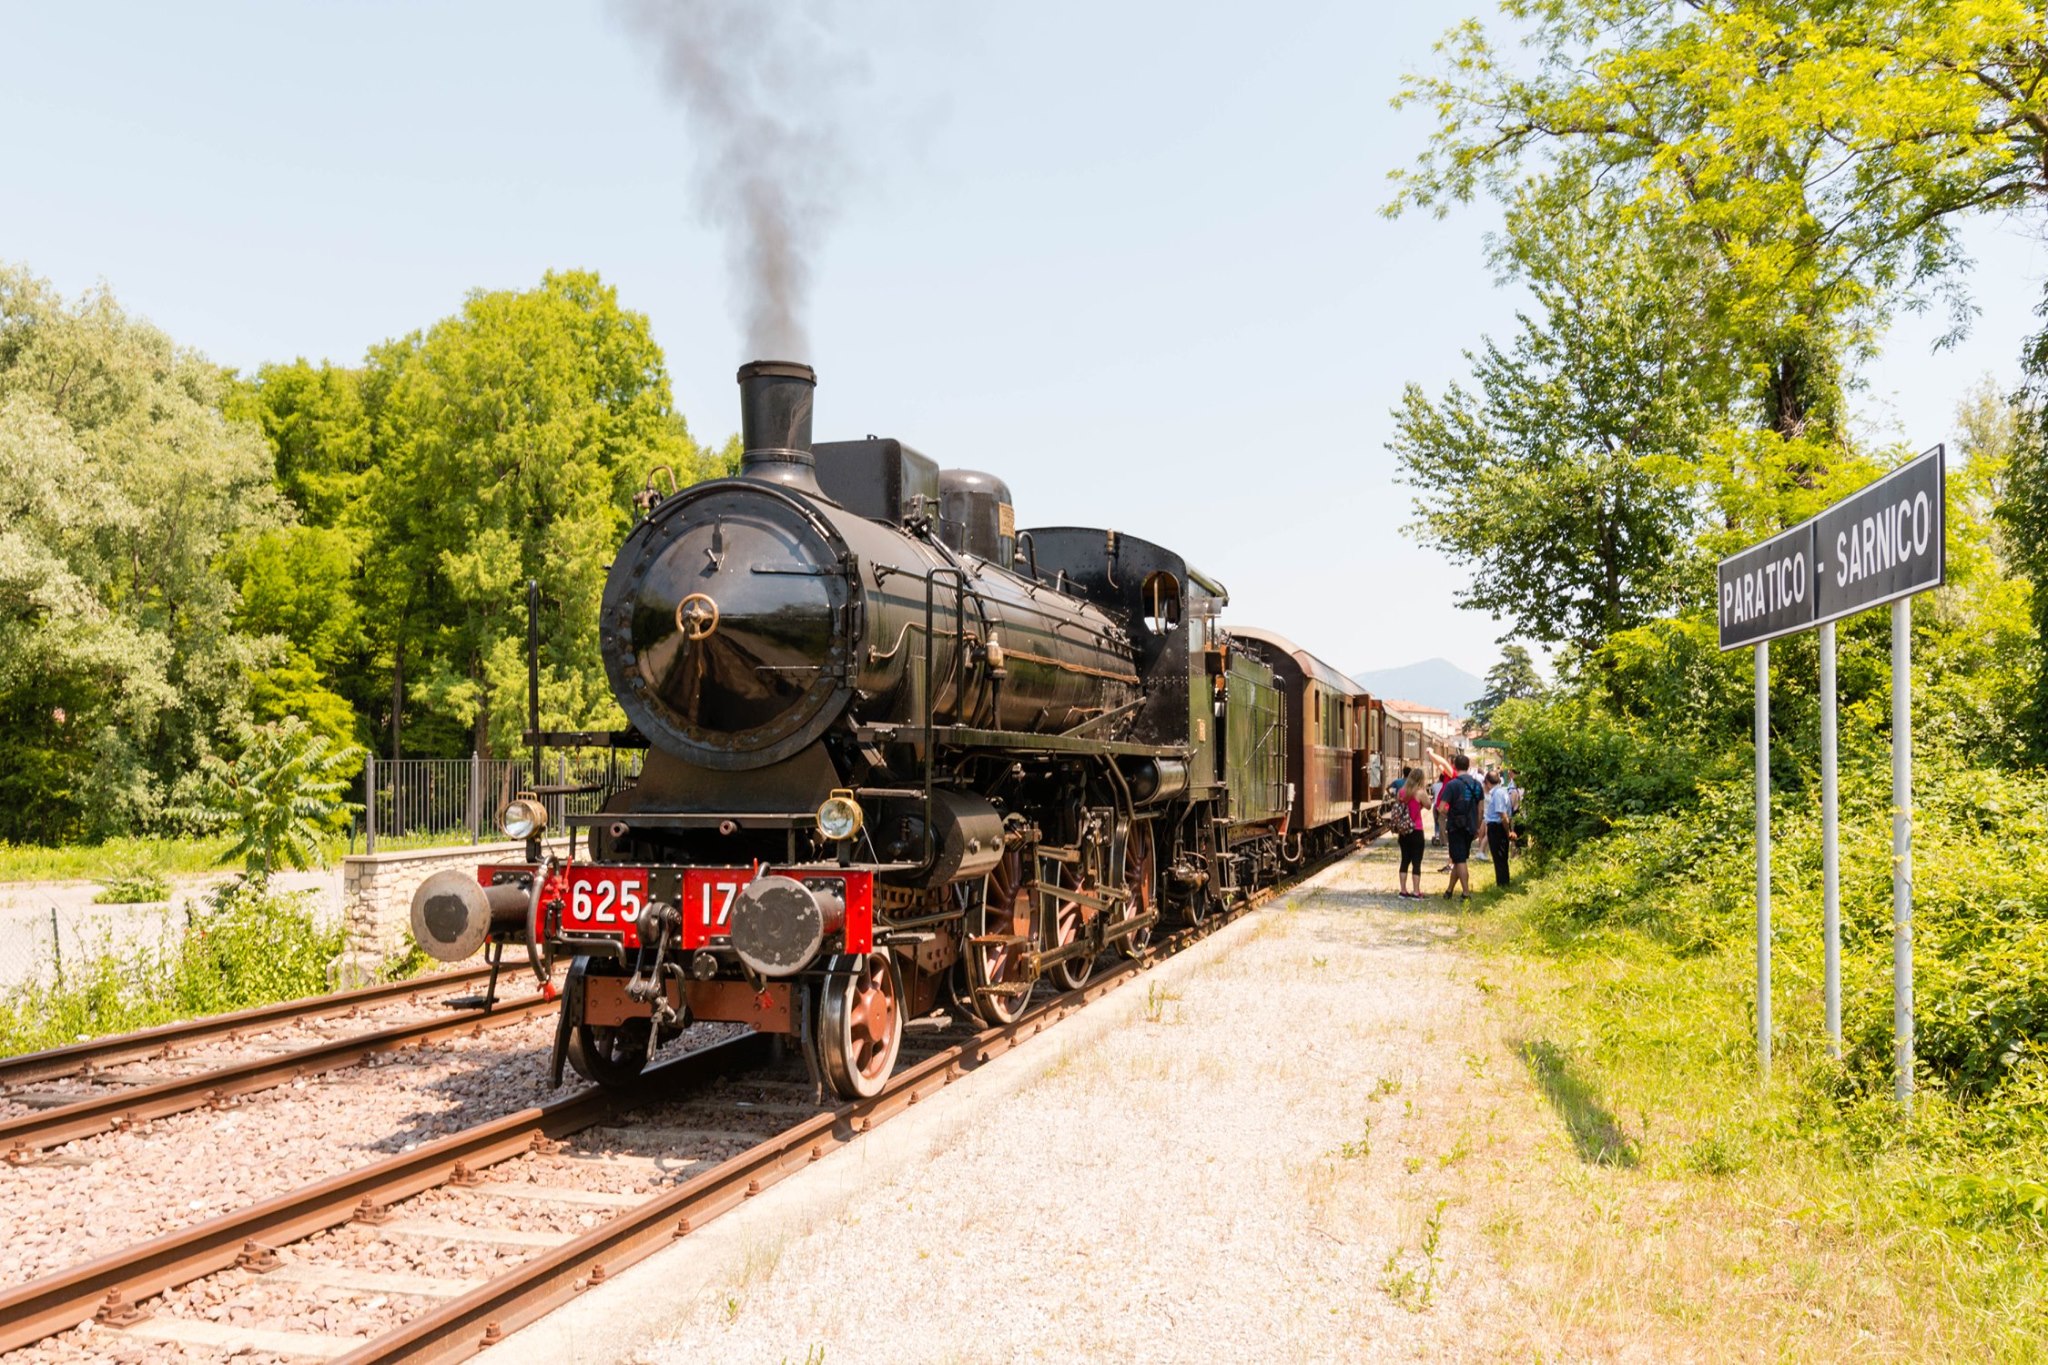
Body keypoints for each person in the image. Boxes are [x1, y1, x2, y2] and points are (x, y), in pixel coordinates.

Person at [1436, 754, 1484, 904]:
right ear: (1469, 767)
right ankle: (1449, 890)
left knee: (1460, 859)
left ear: (1455, 767)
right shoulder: (1477, 785)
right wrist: (1477, 826)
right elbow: (1481, 809)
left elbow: (1441, 807)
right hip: (1470, 827)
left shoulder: (1452, 785)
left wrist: (1448, 813)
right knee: (1458, 858)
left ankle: (1466, 893)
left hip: (1456, 827)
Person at [1393, 771, 1428, 899]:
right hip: (1416, 830)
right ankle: (1416, 892)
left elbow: (1400, 809)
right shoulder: (1420, 792)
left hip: (1404, 831)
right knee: (1416, 862)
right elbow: (1429, 805)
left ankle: (1403, 891)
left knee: (1405, 860)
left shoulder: (1401, 792)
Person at [1483, 771, 1515, 887]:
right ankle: (1502, 882)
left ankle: (1502, 884)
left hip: (1497, 828)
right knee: (1500, 857)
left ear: (1487, 782)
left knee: (1499, 857)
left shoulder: (1497, 794)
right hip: (1498, 827)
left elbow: (1503, 815)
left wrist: (1507, 832)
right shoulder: (1501, 791)